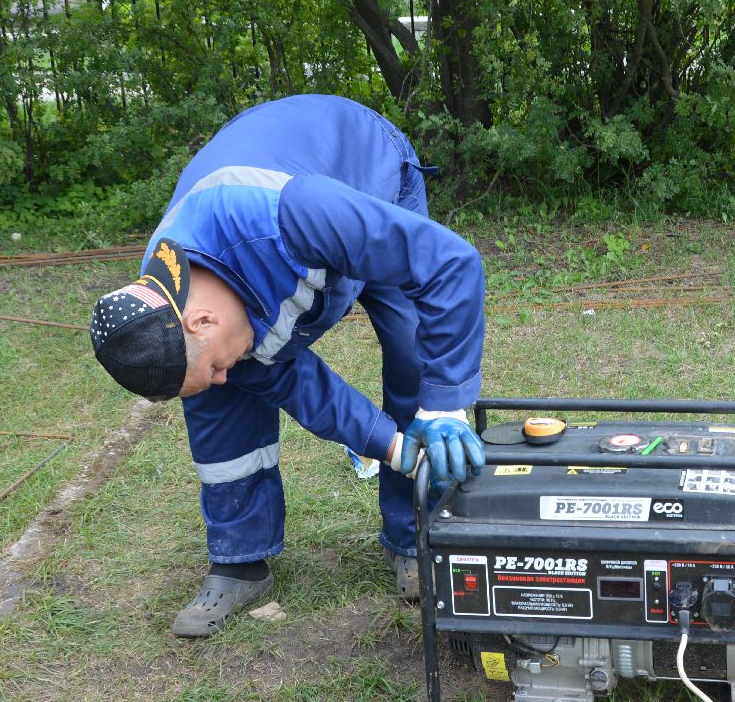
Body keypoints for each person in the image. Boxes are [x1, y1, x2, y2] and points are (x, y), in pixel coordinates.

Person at [88, 94, 487, 637]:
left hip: (364, 170)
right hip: (280, 244)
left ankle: (415, 535)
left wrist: (447, 408)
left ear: (200, 321)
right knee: (213, 393)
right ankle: (240, 560)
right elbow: (286, 379)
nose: (229, 373)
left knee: (412, 346)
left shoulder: (294, 214)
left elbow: (450, 263)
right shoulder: (159, 294)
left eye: (215, 362)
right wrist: (393, 448)